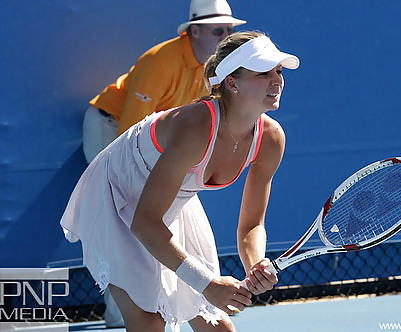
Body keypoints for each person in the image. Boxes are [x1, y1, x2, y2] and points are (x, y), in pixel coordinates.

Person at [61, 31, 299, 332]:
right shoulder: (194, 128)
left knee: (218, 327)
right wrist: (208, 284)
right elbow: (145, 222)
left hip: (170, 199)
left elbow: (251, 226)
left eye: (278, 71)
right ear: (231, 83)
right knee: (149, 325)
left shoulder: (271, 139)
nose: (276, 80)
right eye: (263, 73)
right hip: (117, 195)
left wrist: (255, 264)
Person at [82, 0, 246, 163]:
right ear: (195, 31)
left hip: (149, 133)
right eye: (218, 31)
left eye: (229, 31)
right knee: (115, 184)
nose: (226, 37)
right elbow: (131, 125)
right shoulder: (159, 62)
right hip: (111, 124)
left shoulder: (214, 67)